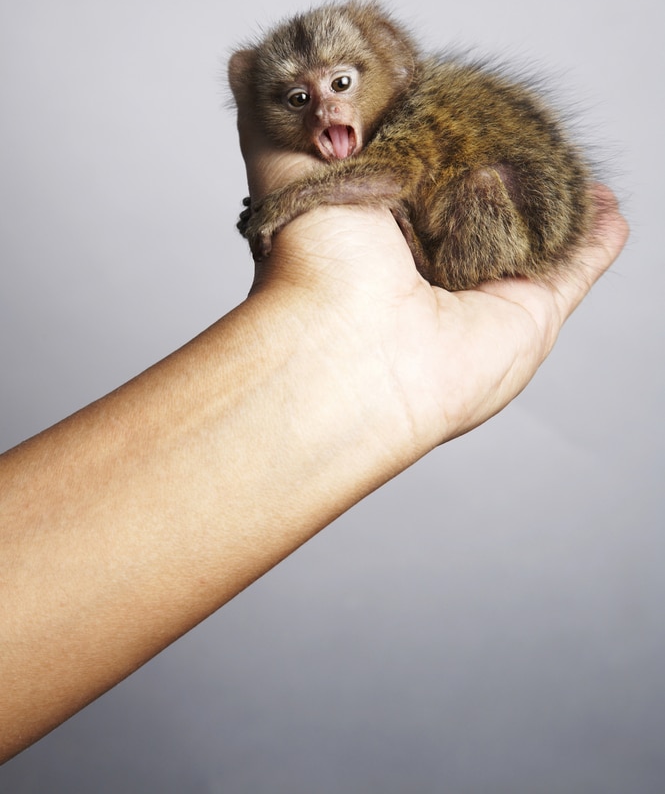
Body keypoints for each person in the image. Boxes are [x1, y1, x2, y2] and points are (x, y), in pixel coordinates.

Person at [0, 97, 628, 764]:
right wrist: (334, 343)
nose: (325, 104)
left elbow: (388, 173)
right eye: (301, 95)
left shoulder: (416, 132)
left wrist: (290, 213)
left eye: (340, 83)